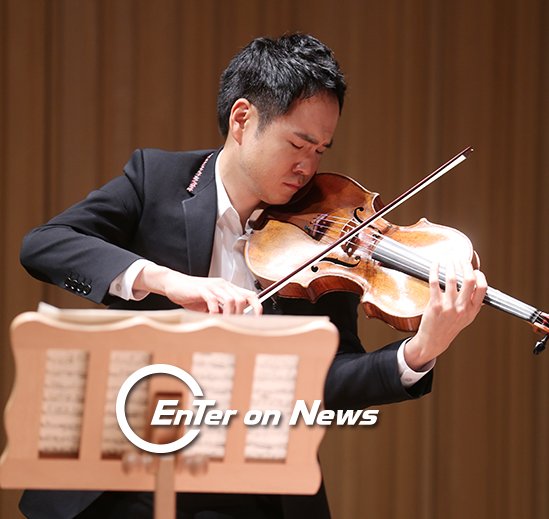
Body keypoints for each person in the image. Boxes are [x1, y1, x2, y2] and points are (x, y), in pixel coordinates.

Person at [18, 33, 487, 519]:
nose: (308, 167)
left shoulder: (326, 238)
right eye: (297, 144)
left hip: (250, 488)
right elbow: (46, 244)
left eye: (321, 150)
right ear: (243, 120)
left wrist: (419, 350)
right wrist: (169, 281)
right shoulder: (157, 180)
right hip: (131, 466)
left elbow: (330, 378)